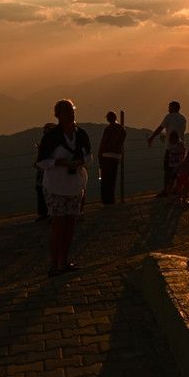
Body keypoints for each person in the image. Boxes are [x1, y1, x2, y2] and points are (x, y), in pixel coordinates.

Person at [37, 100, 91, 276]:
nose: (71, 114)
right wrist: (60, 163)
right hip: (55, 186)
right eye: (67, 111)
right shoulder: (51, 137)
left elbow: (89, 157)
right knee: (58, 226)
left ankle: (64, 261)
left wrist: (80, 162)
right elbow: (41, 162)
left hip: (75, 185)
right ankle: (55, 265)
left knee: (70, 226)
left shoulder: (81, 134)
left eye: (72, 110)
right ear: (58, 115)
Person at [147, 101, 187, 198]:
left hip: (170, 148)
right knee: (176, 169)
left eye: (169, 107)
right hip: (180, 148)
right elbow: (180, 132)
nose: (168, 109)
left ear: (173, 108)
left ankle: (166, 190)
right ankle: (175, 189)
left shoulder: (169, 116)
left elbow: (160, 128)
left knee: (168, 170)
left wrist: (152, 137)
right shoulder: (183, 118)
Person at [97, 111, 126, 206]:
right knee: (113, 178)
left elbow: (103, 143)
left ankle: (106, 200)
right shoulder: (122, 130)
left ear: (108, 119)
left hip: (106, 156)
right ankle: (112, 199)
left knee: (105, 179)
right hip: (116, 156)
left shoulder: (108, 129)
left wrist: (99, 154)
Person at [34, 122, 55, 221]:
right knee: (41, 191)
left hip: (48, 172)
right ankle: (45, 213)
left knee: (47, 192)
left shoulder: (51, 143)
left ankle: (48, 213)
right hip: (43, 172)